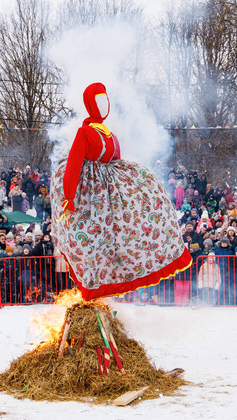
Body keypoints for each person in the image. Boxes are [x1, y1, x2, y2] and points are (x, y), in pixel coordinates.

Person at [51, 82, 191, 300]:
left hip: (109, 191)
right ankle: (92, 284)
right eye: (99, 100)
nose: (105, 104)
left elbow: (116, 161)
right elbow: (74, 164)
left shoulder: (111, 135)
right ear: (91, 104)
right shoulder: (84, 132)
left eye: (105, 99)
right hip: (89, 192)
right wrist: (69, 198)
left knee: (138, 210)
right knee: (93, 238)